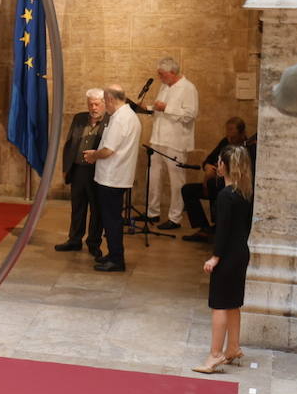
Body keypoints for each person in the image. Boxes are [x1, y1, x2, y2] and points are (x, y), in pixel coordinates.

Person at [192, 145, 255, 373]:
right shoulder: (245, 193)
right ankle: (234, 347)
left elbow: (223, 230)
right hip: (241, 252)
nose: (217, 165)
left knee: (219, 304)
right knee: (233, 303)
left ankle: (215, 354)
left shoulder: (225, 196)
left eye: (219, 161)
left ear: (225, 166)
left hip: (228, 255)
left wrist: (215, 257)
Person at [84, 84, 141, 273]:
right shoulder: (129, 116)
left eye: (105, 101)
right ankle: (113, 254)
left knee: (111, 220)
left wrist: (93, 155)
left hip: (112, 177)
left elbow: (108, 150)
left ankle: (117, 259)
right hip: (117, 175)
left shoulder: (119, 119)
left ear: (109, 99)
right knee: (112, 219)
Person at [183, 117, 257, 243]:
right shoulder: (225, 142)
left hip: (234, 188)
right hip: (215, 184)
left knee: (214, 184)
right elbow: (208, 159)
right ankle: (204, 229)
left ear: (241, 131)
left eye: (231, 130)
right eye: (227, 129)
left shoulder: (248, 147)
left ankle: (218, 226)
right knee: (187, 190)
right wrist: (207, 166)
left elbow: (245, 173)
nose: (228, 133)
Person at [145, 57, 198, 229]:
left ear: (172, 72)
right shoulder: (164, 86)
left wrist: (165, 108)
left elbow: (190, 114)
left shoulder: (188, 88)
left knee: (177, 182)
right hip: (158, 139)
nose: (159, 77)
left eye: (162, 74)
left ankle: (175, 218)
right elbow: (159, 109)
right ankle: (152, 213)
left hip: (176, 141)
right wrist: (147, 109)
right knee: (153, 177)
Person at [55, 88, 108, 255]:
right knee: (77, 207)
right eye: (90, 104)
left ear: (104, 104)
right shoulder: (79, 118)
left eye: (97, 104)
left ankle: (93, 243)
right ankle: (74, 240)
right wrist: (66, 168)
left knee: (96, 208)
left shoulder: (110, 121)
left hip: (97, 171)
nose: (93, 108)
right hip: (78, 169)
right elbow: (69, 144)